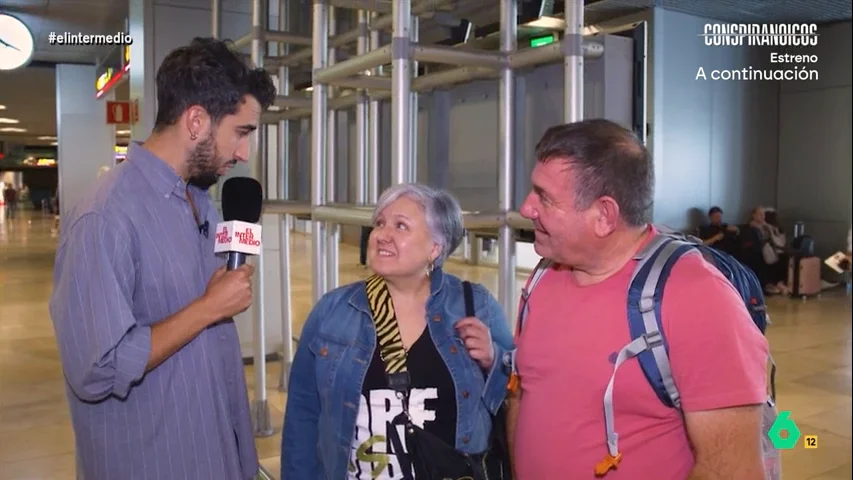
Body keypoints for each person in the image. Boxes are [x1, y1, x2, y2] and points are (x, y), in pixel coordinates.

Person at [49, 37, 276, 480]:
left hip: (216, 453)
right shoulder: (104, 216)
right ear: (196, 121)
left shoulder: (200, 203)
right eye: (241, 132)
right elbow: (96, 369)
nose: (244, 153)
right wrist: (209, 307)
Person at [506, 119, 770, 479]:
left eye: (545, 198)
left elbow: (731, 471)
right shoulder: (543, 277)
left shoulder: (696, 298)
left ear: (604, 216)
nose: (526, 207)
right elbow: (523, 391)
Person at [281, 183, 514, 480]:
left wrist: (494, 360)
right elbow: (303, 414)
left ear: (435, 248)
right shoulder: (333, 312)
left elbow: (516, 399)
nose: (381, 235)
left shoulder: (475, 306)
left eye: (401, 226)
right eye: (379, 223)